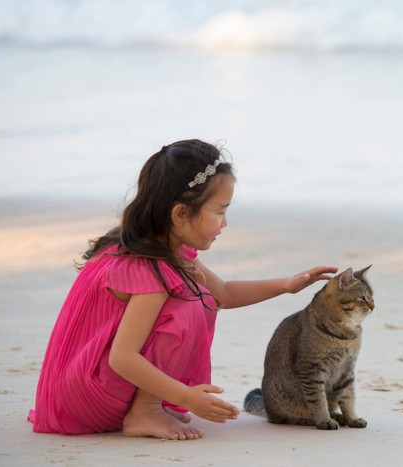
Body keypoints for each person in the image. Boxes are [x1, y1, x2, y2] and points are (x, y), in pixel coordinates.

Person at [28, 139, 337, 440]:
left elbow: (224, 293)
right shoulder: (150, 268)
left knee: (200, 296)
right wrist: (186, 397)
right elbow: (121, 358)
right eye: (219, 212)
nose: (225, 223)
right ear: (180, 214)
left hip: (77, 384)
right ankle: (144, 411)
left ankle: (147, 405)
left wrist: (287, 285)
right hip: (86, 397)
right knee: (191, 301)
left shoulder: (159, 247)